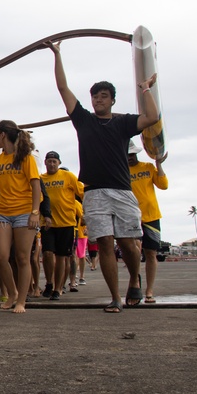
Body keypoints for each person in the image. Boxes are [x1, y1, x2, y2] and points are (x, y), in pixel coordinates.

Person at [48, 40, 159, 313]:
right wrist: (58, 54)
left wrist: (145, 89)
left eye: (104, 96)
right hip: (94, 192)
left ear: (112, 100)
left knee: (129, 245)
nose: (98, 100)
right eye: (95, 96)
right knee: (106, 244)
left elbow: (152, 117)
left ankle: (134, 278)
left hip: (122, 190)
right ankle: (115, 298)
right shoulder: (83, 120)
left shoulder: (122, 123)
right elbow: (63, 88)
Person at [0, 120, 41, 314]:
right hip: (2, 213)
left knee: (22, 257)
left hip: (25, 212)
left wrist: (35, 212)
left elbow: (35, 186)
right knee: (0, 256)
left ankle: (21, 301)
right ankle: (12, 293)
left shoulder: (26, 158)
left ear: (2, 135)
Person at [128, 140, 168, 302]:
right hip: (131, 217)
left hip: (151, 216)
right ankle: (135, 281)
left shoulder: (148, 167)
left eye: (132, 154)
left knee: (151, 254)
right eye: (126, 155)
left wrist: (158, 165)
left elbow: (163, 185)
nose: (129, 158)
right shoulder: (120, 171)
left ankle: (149, 290)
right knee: (135, 252)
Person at [39, 152, 82, 301]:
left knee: (62, 257)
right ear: (45, 162)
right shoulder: (41, 179)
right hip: (47, 223)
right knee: (47, 254)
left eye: (54, 161)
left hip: (66, 223)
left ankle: (58, 288)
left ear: (58, 163)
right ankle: (49, 283)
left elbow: (82, 192)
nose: (51, 164)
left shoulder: (68, 176)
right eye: (49, 161)